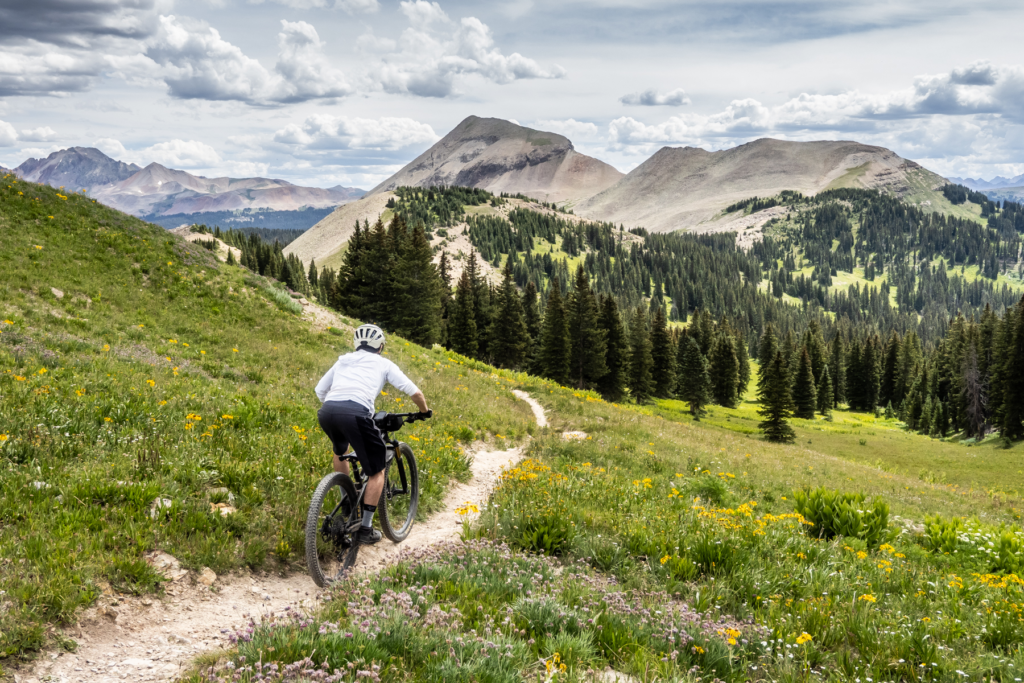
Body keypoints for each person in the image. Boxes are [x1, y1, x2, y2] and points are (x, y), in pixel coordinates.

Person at [314, 324, 430, 544]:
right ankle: (365, 529)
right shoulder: (383, 363)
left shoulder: (343, 360)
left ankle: (347, 500)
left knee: (341, 450)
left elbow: (320, 390)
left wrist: (337, 406)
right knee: (377, 470)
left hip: (327, 412)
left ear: (357, 344)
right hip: (356, 414)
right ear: (380, 347)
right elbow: (415, 392)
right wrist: (424, 411)